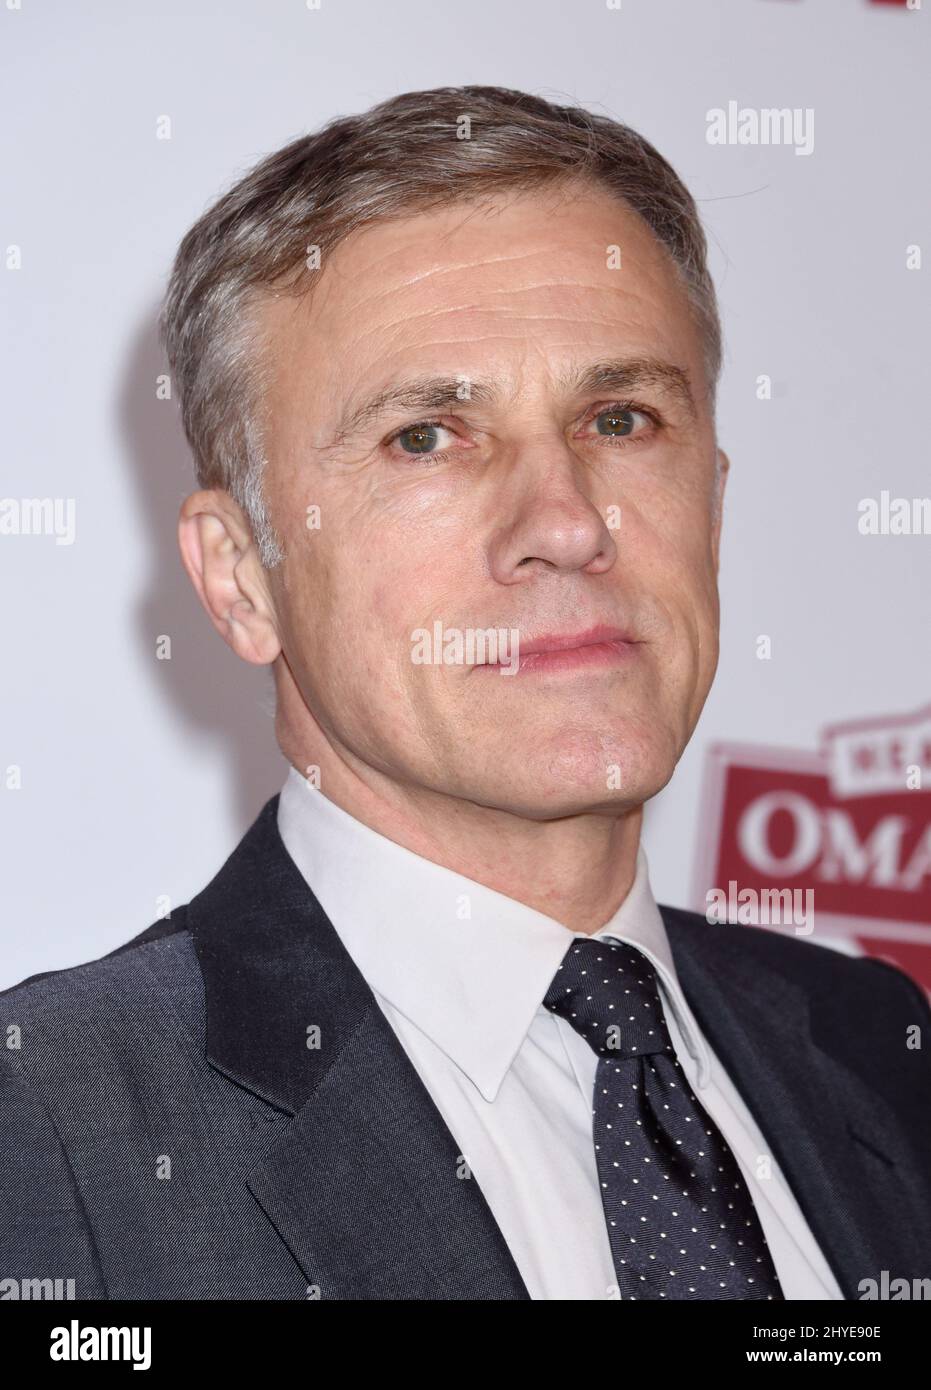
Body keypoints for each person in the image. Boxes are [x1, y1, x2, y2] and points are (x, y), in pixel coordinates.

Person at [2, 86, 929, 1302]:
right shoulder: (53, 1131)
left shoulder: (872, 1042)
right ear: (240, 580)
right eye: (427, 437)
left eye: (619, 416)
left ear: (714, 496)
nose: (566, 523)